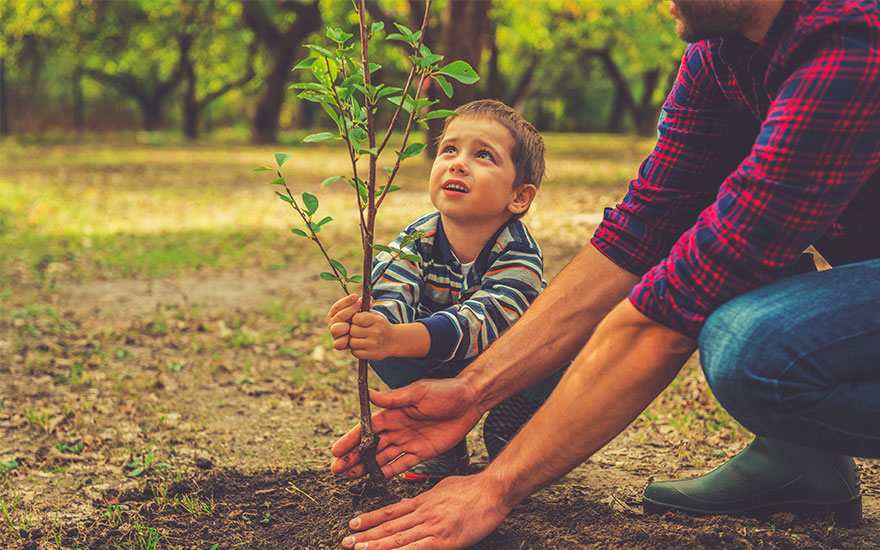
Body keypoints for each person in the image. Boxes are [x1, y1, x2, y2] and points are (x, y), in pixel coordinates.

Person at [330, 0, 880, 548]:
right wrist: (470, 391)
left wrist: (494, 487)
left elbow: (676, 306)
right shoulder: (717, 56)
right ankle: (801, 458)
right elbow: (639, 233)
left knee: (751, 347)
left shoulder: (851, 40)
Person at [326, 99, 564, 482]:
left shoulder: (519, 251)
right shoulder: (417, 237)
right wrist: (371, 326)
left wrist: (401, 336)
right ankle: (445, 443)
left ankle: (520, 423)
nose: (457, 162)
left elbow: (485, 322)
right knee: (385, 347)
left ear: (519, 196)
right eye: (449, 150)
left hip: (510, 365)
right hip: (441, 359)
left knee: (559, 356)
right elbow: (391, 290)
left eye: (483, 155)